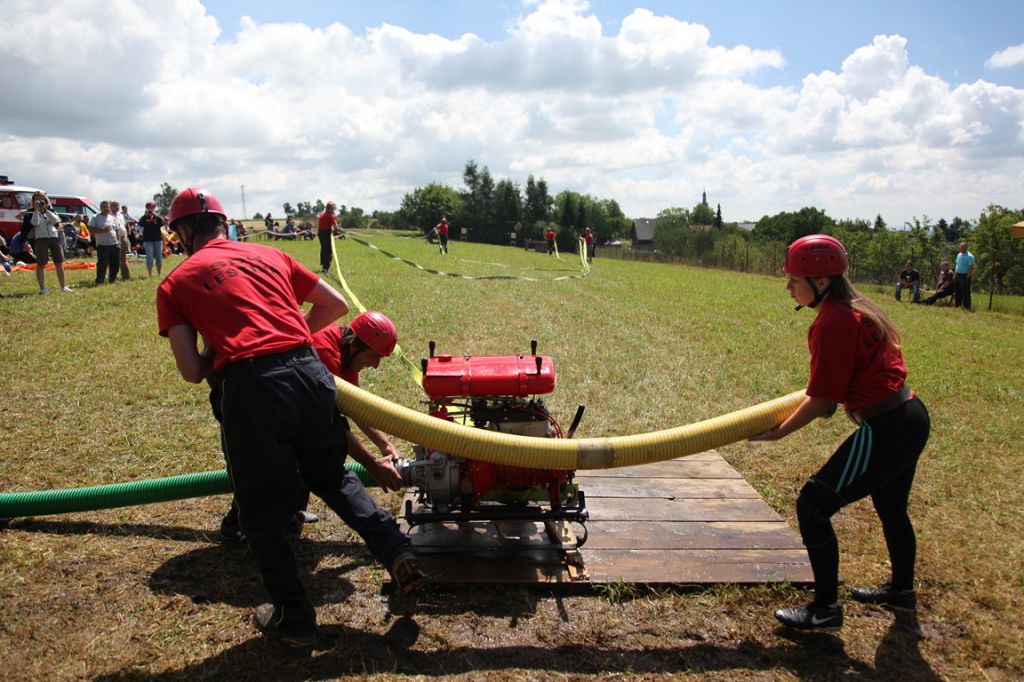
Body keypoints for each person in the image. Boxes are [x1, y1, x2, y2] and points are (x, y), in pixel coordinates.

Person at [156, 187, 423, 647]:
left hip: (251, 387)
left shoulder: (175, 283)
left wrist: (226, 343)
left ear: (181, 232)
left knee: (260, 507)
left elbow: (192, 372)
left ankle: (293, 617)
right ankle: (396, 549)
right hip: (308, 371)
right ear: (224, 223)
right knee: (333, 476)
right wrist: (288, 337)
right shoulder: (270, 254)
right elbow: (335, 306)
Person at [750, 234, 930, 633]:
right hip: (910, 415)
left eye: (794, 279)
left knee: (813, 505)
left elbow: (822, 399)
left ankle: (825, 610)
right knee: (892, 507)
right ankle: (902, 592)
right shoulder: (860, 308)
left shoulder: (832, 321)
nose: (788, 286)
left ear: (821, 281)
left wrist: (779, 432)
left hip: (887, 426)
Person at [219, 310, 407, 542]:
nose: (376, 365)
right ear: (355, 345)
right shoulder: (323, 352)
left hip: (284, 400)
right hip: (252, 398)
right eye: (373, 356)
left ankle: (291, 514)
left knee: (304, 448)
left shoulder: (345, 352)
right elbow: (331, 426)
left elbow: (358, 408)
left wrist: (386, 446)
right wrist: (372, 465)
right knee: (266, 464)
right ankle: (236, 522)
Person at [22, 191, 72, 294]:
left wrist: (46, 210)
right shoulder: (30, 212)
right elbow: (35, 223)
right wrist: (36, 211)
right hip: (40, 238)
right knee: (41, 263)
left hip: (53, 236)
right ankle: (43, 288)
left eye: (41, 198)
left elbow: (56, 220)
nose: (40, 200)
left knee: (59, 262)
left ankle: (63, 287)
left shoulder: (50, 210)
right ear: (33, 200)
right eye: (37, 198)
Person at [89, 201, 121, 283]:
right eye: (104, 207)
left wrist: (118, 241)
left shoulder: (113, 218)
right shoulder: (95, 217)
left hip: (114, 244)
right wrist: (103, 230)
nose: (106, 209)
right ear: (101, 208)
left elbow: (117, 230)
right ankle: (100, 280)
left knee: (115, 264)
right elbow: (90, 229)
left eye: (108, 207)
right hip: (102, 245)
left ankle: (113, 279)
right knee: (102, 264)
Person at [139, 202, 165, 277]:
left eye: (151, 208)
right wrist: (145, 216)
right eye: (148, 208)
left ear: (154, 208)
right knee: (149, 257)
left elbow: (162, 223)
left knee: (159, 257)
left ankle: (159, 273)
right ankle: (149, 274)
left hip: (157, 240)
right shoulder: (144, 217)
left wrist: (156, 215)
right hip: (148, 241)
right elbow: (140, 224)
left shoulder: (157, 217)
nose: (150, 209)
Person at [111, 200, 131, 280]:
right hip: (113, 239)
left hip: (123, 238)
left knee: (123, 258)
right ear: (111, 206)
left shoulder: (121, 215)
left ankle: (126, 276)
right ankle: (113, 277)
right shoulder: (109, 216)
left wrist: (126, 238)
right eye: (115, 205)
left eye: (117, 206)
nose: (117, 207)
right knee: (114, 259)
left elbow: (124, 227)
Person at [954, 241, 975, 311]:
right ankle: (957, 305)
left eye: (963, 247)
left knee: (965, 292)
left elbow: (971, 267)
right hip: (958, 274)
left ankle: (967, 307)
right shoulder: (959, 255)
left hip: (965, 275)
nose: (961, 248)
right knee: (958, 291)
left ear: (966, 247)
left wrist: (968, 275)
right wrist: (955, 273)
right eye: (961, 247)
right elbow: (957, 264)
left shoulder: (969, 256)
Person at [318, 202, 338, 272]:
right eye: (333, 208)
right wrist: (339, 230)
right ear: (330, 208)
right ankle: (326, 268)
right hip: (327, 234)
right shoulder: (330, 215)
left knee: (324, 249)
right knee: (329, 251)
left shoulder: (322, 215)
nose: (334, 210)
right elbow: (335, 227)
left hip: (321, 234)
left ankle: (323, 264)